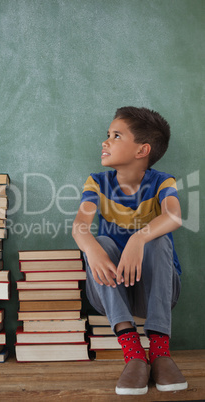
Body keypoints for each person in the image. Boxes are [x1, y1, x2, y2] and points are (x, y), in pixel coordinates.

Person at [72, 106, 188, 395]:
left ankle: (160, 353)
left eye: (116, 135)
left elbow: (174, 216)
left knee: (158, 240)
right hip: (111, 292)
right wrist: (94, 250)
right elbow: (80, 225)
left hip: (157, 292)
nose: (105, 141)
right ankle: (134, 354)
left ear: (141, 150)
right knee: (103, 243)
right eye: (107, 135)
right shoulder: (97, 182)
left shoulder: (162, 181)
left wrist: (138, 240)